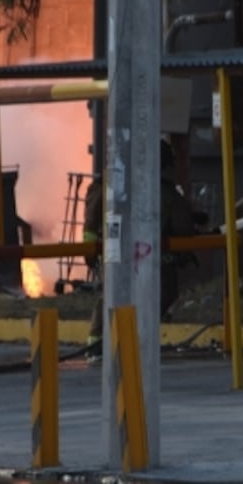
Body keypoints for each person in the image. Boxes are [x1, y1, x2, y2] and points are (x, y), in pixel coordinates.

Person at [84, 139, 196, 357]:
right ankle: (124, 342)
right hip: (150, 258)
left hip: (117, 253)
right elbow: (182, 226)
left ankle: (98, 346)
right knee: (160, 292)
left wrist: (90, 249)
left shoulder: (111, 182)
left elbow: (92, 218)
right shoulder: (164, 192)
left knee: (112, 295)